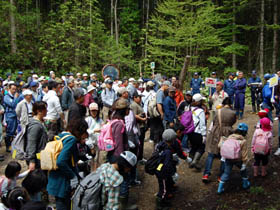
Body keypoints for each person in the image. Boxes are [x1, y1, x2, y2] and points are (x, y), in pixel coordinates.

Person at [47, 118, 89, 210]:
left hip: (55, 179)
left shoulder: (61, 135)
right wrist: (73, 176)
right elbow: (61, 161)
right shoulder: (71, 139)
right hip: (63, 182)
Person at [202, 97, 236, 183]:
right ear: (230, 104)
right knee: (223, 155)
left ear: (223, 104)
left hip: (215, 132)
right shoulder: (233, 113)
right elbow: (233, 122)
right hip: (227, 133)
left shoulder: (218, 111)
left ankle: (206, 174)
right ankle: (221, 176)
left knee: (211, 153)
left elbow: (214, 121)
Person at [217, 123, 250, 194]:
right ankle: (245, 184)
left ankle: (219, 189)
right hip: (238, 159)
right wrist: (244, 163)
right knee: (243, 171)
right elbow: (244, 154)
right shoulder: (243, 141)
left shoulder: (229, 137)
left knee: (226, 173)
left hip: (228, 158)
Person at [155, 129, 178, 209]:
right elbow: (168, 165)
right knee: (163, 190)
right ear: (172, 140)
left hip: (158, 169)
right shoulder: (168, 151)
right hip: (163, 173)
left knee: (163, 186)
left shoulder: (160, 145)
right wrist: (172, 173)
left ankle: (164, 201)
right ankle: (159, 205)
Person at [25, 101, 48, 170]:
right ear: (39, 111)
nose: (47, 111)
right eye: (45, 109)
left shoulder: (41, 122)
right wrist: (32, 161)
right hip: (37, 159)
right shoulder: (35, 126)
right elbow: (31, 143)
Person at [188, 93, 207, 170]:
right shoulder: (200, 111)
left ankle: (190, 161)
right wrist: (204, 135)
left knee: (193, 146)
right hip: (198, 132)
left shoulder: (189, 108)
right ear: (198, 102)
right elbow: (202, 124)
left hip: (190, 131)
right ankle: (195, 162)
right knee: (201, 147)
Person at [130, 92, 147, 163]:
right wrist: (142, 118)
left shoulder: (138, 104)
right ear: (134, 97)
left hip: (141, 125)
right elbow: (133, 115)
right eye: (139, 97)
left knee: (141, 142)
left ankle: (140, 156)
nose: (140, 99)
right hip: (138, 126)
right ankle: (138, 157)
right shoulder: (134, 105)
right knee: (139, 142)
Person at [85, 103, 103, 168]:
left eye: (95, 111)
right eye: (92, 111)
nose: (94, 112)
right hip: (90, 144)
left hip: (97, 143)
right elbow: (85, 133)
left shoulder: (100, 120)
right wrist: (94, 131)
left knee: (97, 161)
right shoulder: (87, 120)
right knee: (90, 161)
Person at [3, 82, 19, 152]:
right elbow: (12, 104)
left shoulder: (14, 96)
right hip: (9, 116)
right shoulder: (6, 97)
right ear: (9, 88)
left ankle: (12, 145)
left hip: (15, 115)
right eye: (13, 89)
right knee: (9, 132)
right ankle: (8, 146)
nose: (14, 91)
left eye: (15, 89)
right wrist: (15, 98)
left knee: (13, 132)